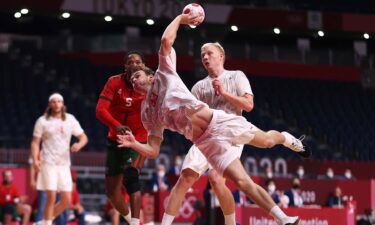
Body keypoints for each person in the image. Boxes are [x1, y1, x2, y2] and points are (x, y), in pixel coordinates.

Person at [118, 13, 309, 225]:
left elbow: (165, 41)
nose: (133, 81)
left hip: (221, 122)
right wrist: (135, 143)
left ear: (150, 76)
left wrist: (181, 18)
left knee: (267, 142)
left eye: (136, 76)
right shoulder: (147, 114)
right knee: (235, 181)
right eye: (130, 80)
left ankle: (284, 137)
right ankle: (284, 220)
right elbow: (153, 150)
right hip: (204, 142)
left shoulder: (165, 72)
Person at [161, 41, 257, 225]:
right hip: (205, 137)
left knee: (215, 179)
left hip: (230, 135)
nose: (205, 57)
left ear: (221, 56)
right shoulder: (198, 88)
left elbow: (248, 105)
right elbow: (188, 117)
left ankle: (230, 223)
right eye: (202, 54)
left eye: (209, 53)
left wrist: (224, 93)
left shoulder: (237, 76)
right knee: (185, 178)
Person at [96, 51, 151, 225]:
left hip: (138, 140)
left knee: (131, 176)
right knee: (112, 192)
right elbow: (100, 110)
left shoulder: (151, 83)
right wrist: (116, 125)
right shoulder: (114, 82)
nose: (135, 63)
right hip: (116, 139)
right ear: (125, 66)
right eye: (131, 61)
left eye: (139, 61)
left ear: (143, 66)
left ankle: (135, 224)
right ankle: (135, 222)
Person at [30, 93, 88, 225]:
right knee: (50, 196)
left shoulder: (70, 119)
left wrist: (78, 144)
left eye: (59, 101)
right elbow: (35, 143)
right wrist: (35, 160)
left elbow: (83, 137)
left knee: (66, 200)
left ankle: (44, 222)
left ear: (63, 104)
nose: (57, 104)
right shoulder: (42, 121)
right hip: (48, 163)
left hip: (64, 165)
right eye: (54, 102)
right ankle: (47, 223)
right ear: (50, 104)